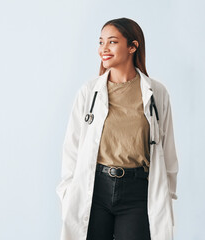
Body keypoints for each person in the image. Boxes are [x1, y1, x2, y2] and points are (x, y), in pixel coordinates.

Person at [57, 18, 178, 240]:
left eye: (112, 42)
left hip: (137, 192)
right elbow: (72, 147)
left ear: (133, 46)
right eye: (101, 42)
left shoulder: (156, 93)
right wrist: (67, 191)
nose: (104, 48)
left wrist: (166, 195)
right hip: (94, 189)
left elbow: (167, 149)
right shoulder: (89, 92)